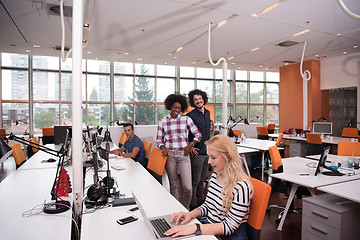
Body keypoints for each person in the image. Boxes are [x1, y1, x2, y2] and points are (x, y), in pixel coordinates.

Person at [165, 135, 253, 240]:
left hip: (228, 236)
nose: (209, 162)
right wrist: (191, 214)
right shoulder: (216, 175)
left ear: (228, 157)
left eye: (213, 157)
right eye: (209, 156)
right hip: (211, 228)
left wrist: (195, 228)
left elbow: (229, 227)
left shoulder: (241, 186)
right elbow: (208, 205)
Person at [156, 94, 201, 209]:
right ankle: (175, 209)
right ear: (170, 106)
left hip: (183, 155)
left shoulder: (186, 119)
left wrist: (191, 144)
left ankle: (186, 209)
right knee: (173, 185)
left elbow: (198, 134)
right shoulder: (163, 122)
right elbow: (159, 140)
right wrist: (163, 147)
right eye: (175, 107)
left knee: (188, 187)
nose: (177, 110)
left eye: (179, 108)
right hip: (170, 155)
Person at [187, 89, 211, 210]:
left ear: (203, 99)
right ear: (193, 101)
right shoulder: (190, 116)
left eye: (200, 99)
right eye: (195, 99)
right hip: (196, 152)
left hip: (207, 151)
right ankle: (192, 202)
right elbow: (184, 133)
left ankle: (201, 199)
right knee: (195, 180)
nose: (198, 101)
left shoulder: (207, 113)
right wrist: (189, 146)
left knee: (202, 178)